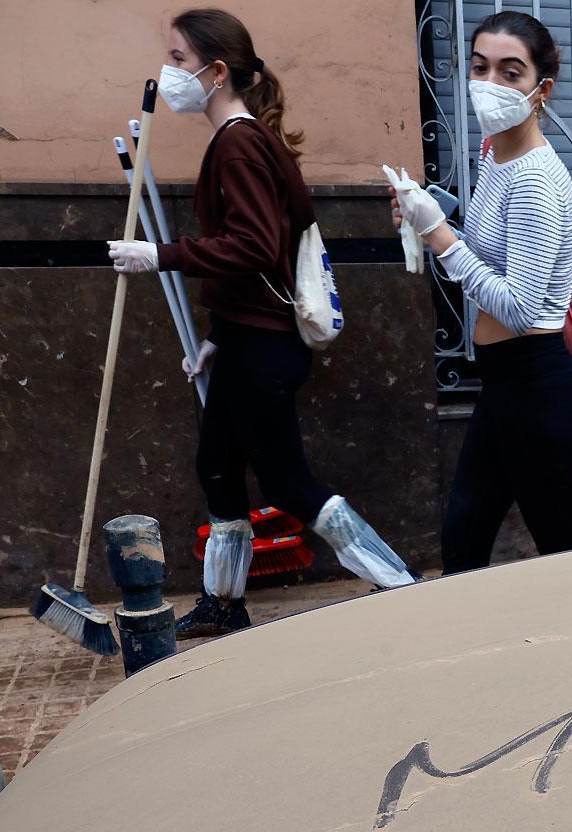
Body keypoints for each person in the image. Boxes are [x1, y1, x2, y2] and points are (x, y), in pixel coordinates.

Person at [108, 7, 414, 638]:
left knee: (287, 481)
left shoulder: (239, 145)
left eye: (179, 60)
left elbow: (253, 246)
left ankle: (397, 583)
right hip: (250, 340)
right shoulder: (242, 140)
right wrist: (220, 337)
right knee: (217, 464)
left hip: (265, 348)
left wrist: (159, 255)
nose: (169, 71)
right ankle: (225, 602)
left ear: (217, 72)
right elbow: (261, 257)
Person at [390, 11, 572, 574]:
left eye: (511, 72)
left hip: (537, 385)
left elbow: (519, 307)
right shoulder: (493, 155)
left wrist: (440, 237)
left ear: (541, 88)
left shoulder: (533, 178)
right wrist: (428, 215)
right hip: (505, 384)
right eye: (480, 68)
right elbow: (490, 250)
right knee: (464, 539)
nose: (490, 84)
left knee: (566, 559)